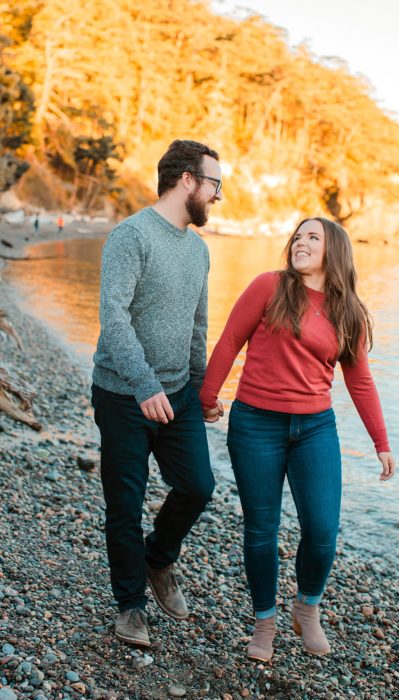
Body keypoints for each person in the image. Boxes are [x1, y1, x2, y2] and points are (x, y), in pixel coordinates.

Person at [199, 217, 396, 662]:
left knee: (323, 529)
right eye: (298, 236)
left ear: (335, 252)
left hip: (315, 430)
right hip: (255, 425)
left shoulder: (347, 312)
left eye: (313, 237)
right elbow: (231, 340)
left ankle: (307, 608)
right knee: (262, 529)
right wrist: (207, 397)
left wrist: (381, 442)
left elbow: (361, 382)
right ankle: (264, 622)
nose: (300, 242)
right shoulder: (269, 286)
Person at [91, 139, 223, 647]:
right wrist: (143, 385)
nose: (216, 195)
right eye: (214, 184)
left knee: (198, 486)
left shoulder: (199, 250)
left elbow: (197, 325)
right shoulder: (131, 237)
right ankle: (129, 608)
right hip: (123, 395)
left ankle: (158, 559)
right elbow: (113, 317)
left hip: (179, 393)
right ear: (187, 180)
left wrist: (203, 387)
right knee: (124, 502)